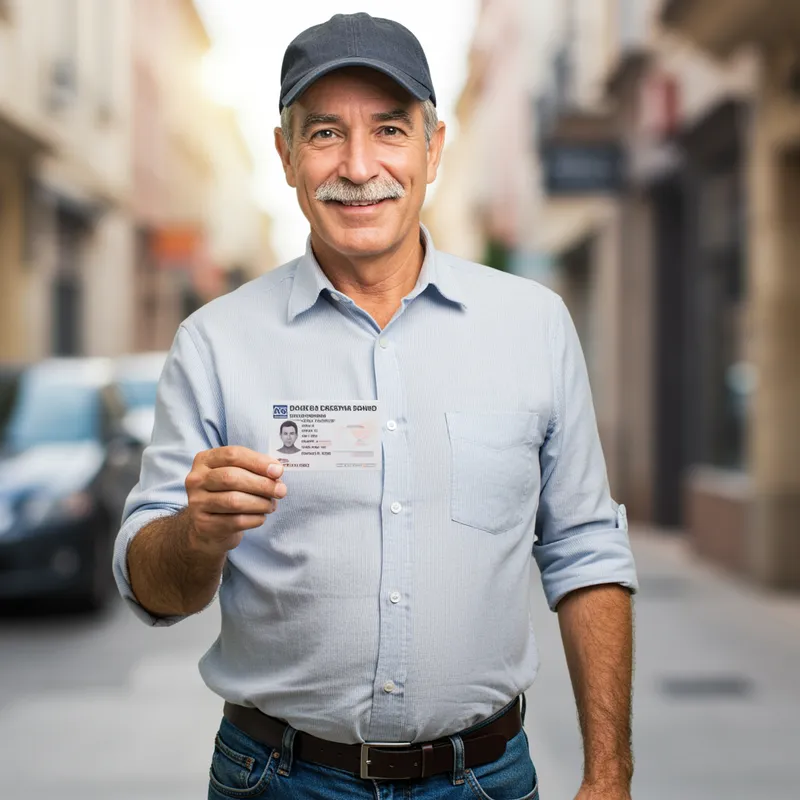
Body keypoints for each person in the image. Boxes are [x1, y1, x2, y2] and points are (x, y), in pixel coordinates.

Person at [113, 12, 638, 800]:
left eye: (389, 129)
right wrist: (197, 532)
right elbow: (157, 591)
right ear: (286, 155)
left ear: (433, 148)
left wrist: (610, 772)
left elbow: (586, 550)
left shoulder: (533, 325)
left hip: (484, 781)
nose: (359, 167)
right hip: (277, 781)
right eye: (325, 133)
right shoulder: (214, 343)